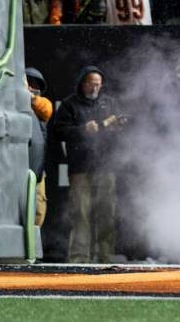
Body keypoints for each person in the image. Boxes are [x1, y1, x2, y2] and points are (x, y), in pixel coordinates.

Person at [52, 66, 122, 263]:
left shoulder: (109, 103)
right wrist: (82, 130)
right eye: (91, 83)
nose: (95, 87)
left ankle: (105, 256)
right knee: (80, 214)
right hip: (80, 167)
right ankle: (79, 257)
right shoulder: (69, 104)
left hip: (106, 166)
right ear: (82, 83)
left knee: (107, 213)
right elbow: (58, 131)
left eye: (98, 84)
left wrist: (118, 128)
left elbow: (119, 127)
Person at [26, 68, 53, 227]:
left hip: (37, 169)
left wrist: (30, 97)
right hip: (19, 165)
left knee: (39, 208)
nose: (31, 87)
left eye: (35, 84)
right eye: (28, 82)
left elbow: (46, 109)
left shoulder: (42, 104)